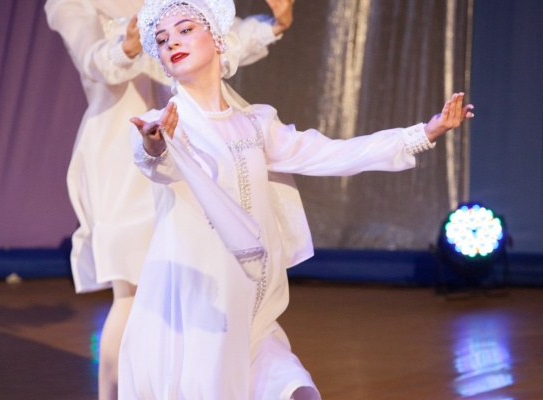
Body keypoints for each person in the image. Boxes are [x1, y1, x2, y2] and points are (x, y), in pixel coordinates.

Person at [120, 0, 474, 398]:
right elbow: (156, 163)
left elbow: (331, 153)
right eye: (162, 39)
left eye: (185, 30)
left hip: (256, 310)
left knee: (297, 391)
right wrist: (154, 145)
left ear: (218, 40)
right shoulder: (164, 124)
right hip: (204, 311)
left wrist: (422, 134)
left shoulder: (255, 123)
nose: (172, 43)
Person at [43, 0, 296, 398]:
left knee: (192, 287)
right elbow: (92, 62)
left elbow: (221, 39)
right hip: (123, 154)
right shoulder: (73, 4)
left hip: (189, 145)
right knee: (132, 292)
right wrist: (127, 48)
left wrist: (275, 23)